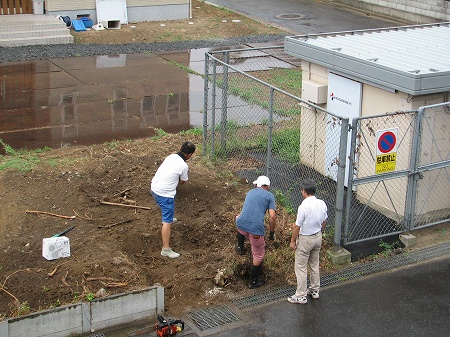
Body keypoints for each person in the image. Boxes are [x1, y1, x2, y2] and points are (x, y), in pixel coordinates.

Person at [151, 141, 196, 259]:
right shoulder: (184, 166)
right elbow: (182, 182)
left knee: (168, 209)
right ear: (189, 155)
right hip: (164, 194)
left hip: (154, 188)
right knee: (167, 221)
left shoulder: (171, 156)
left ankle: (169, 218)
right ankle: (166, 249)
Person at [288, 178, 327, 304]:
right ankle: (314, 290)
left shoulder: (303, 207)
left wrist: (293, 241)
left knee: (301, 267)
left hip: (305, 239)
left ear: (304, 191)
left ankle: (300, 295)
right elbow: (324, 221)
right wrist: (320, 231)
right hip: (317, 236)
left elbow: (297, 226)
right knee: (314, 264)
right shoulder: (322, 203)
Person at [235, 175, 276, 289]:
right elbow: (272, 216)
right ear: (267, 186)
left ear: (258, 185)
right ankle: (253, 282)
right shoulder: (270, 196)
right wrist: (272, 232)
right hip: (255, 232)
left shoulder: (250, 192)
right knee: (258, 255)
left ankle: (240, 247)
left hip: (241, 225)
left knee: (239, 218)